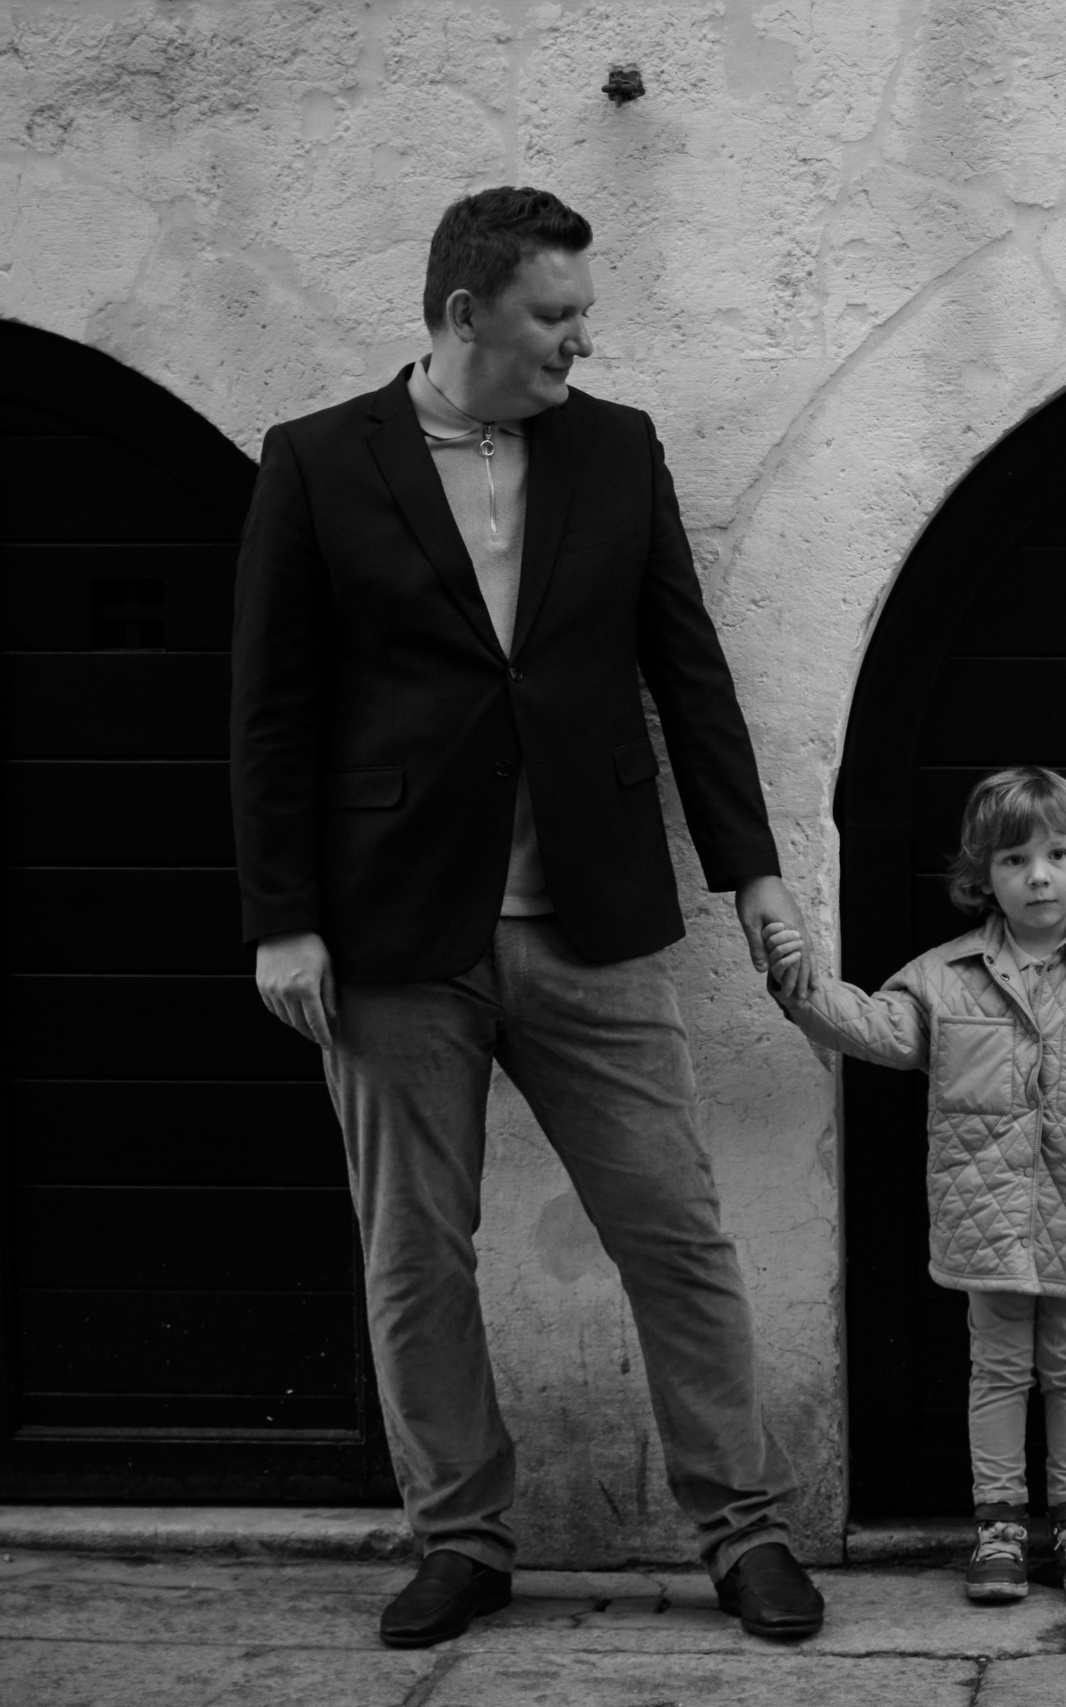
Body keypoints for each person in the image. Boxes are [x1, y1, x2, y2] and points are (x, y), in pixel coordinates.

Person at [231, 187, 823, 1647]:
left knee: (675, 1229)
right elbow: (270, 710)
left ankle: (742, 1524)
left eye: (582, 315)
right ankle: (463, 1536)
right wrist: (283, 918)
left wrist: (751, 866)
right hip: (388, 933)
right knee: (414, 1250)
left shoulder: (617, 450)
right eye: (554, 316)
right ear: (462, 316)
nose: (580, 340)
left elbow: (687, 668)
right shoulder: (316, 463)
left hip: (593, 917)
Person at [761, 767, 1066, 1604]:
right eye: (1013, 859)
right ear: (981, 876)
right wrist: (802, 988)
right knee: (997, 1368)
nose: (1038, 875)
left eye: (1056, 853)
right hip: (990, 1217)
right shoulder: (943, 976)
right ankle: (999, 1526)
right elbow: (874, 1027)